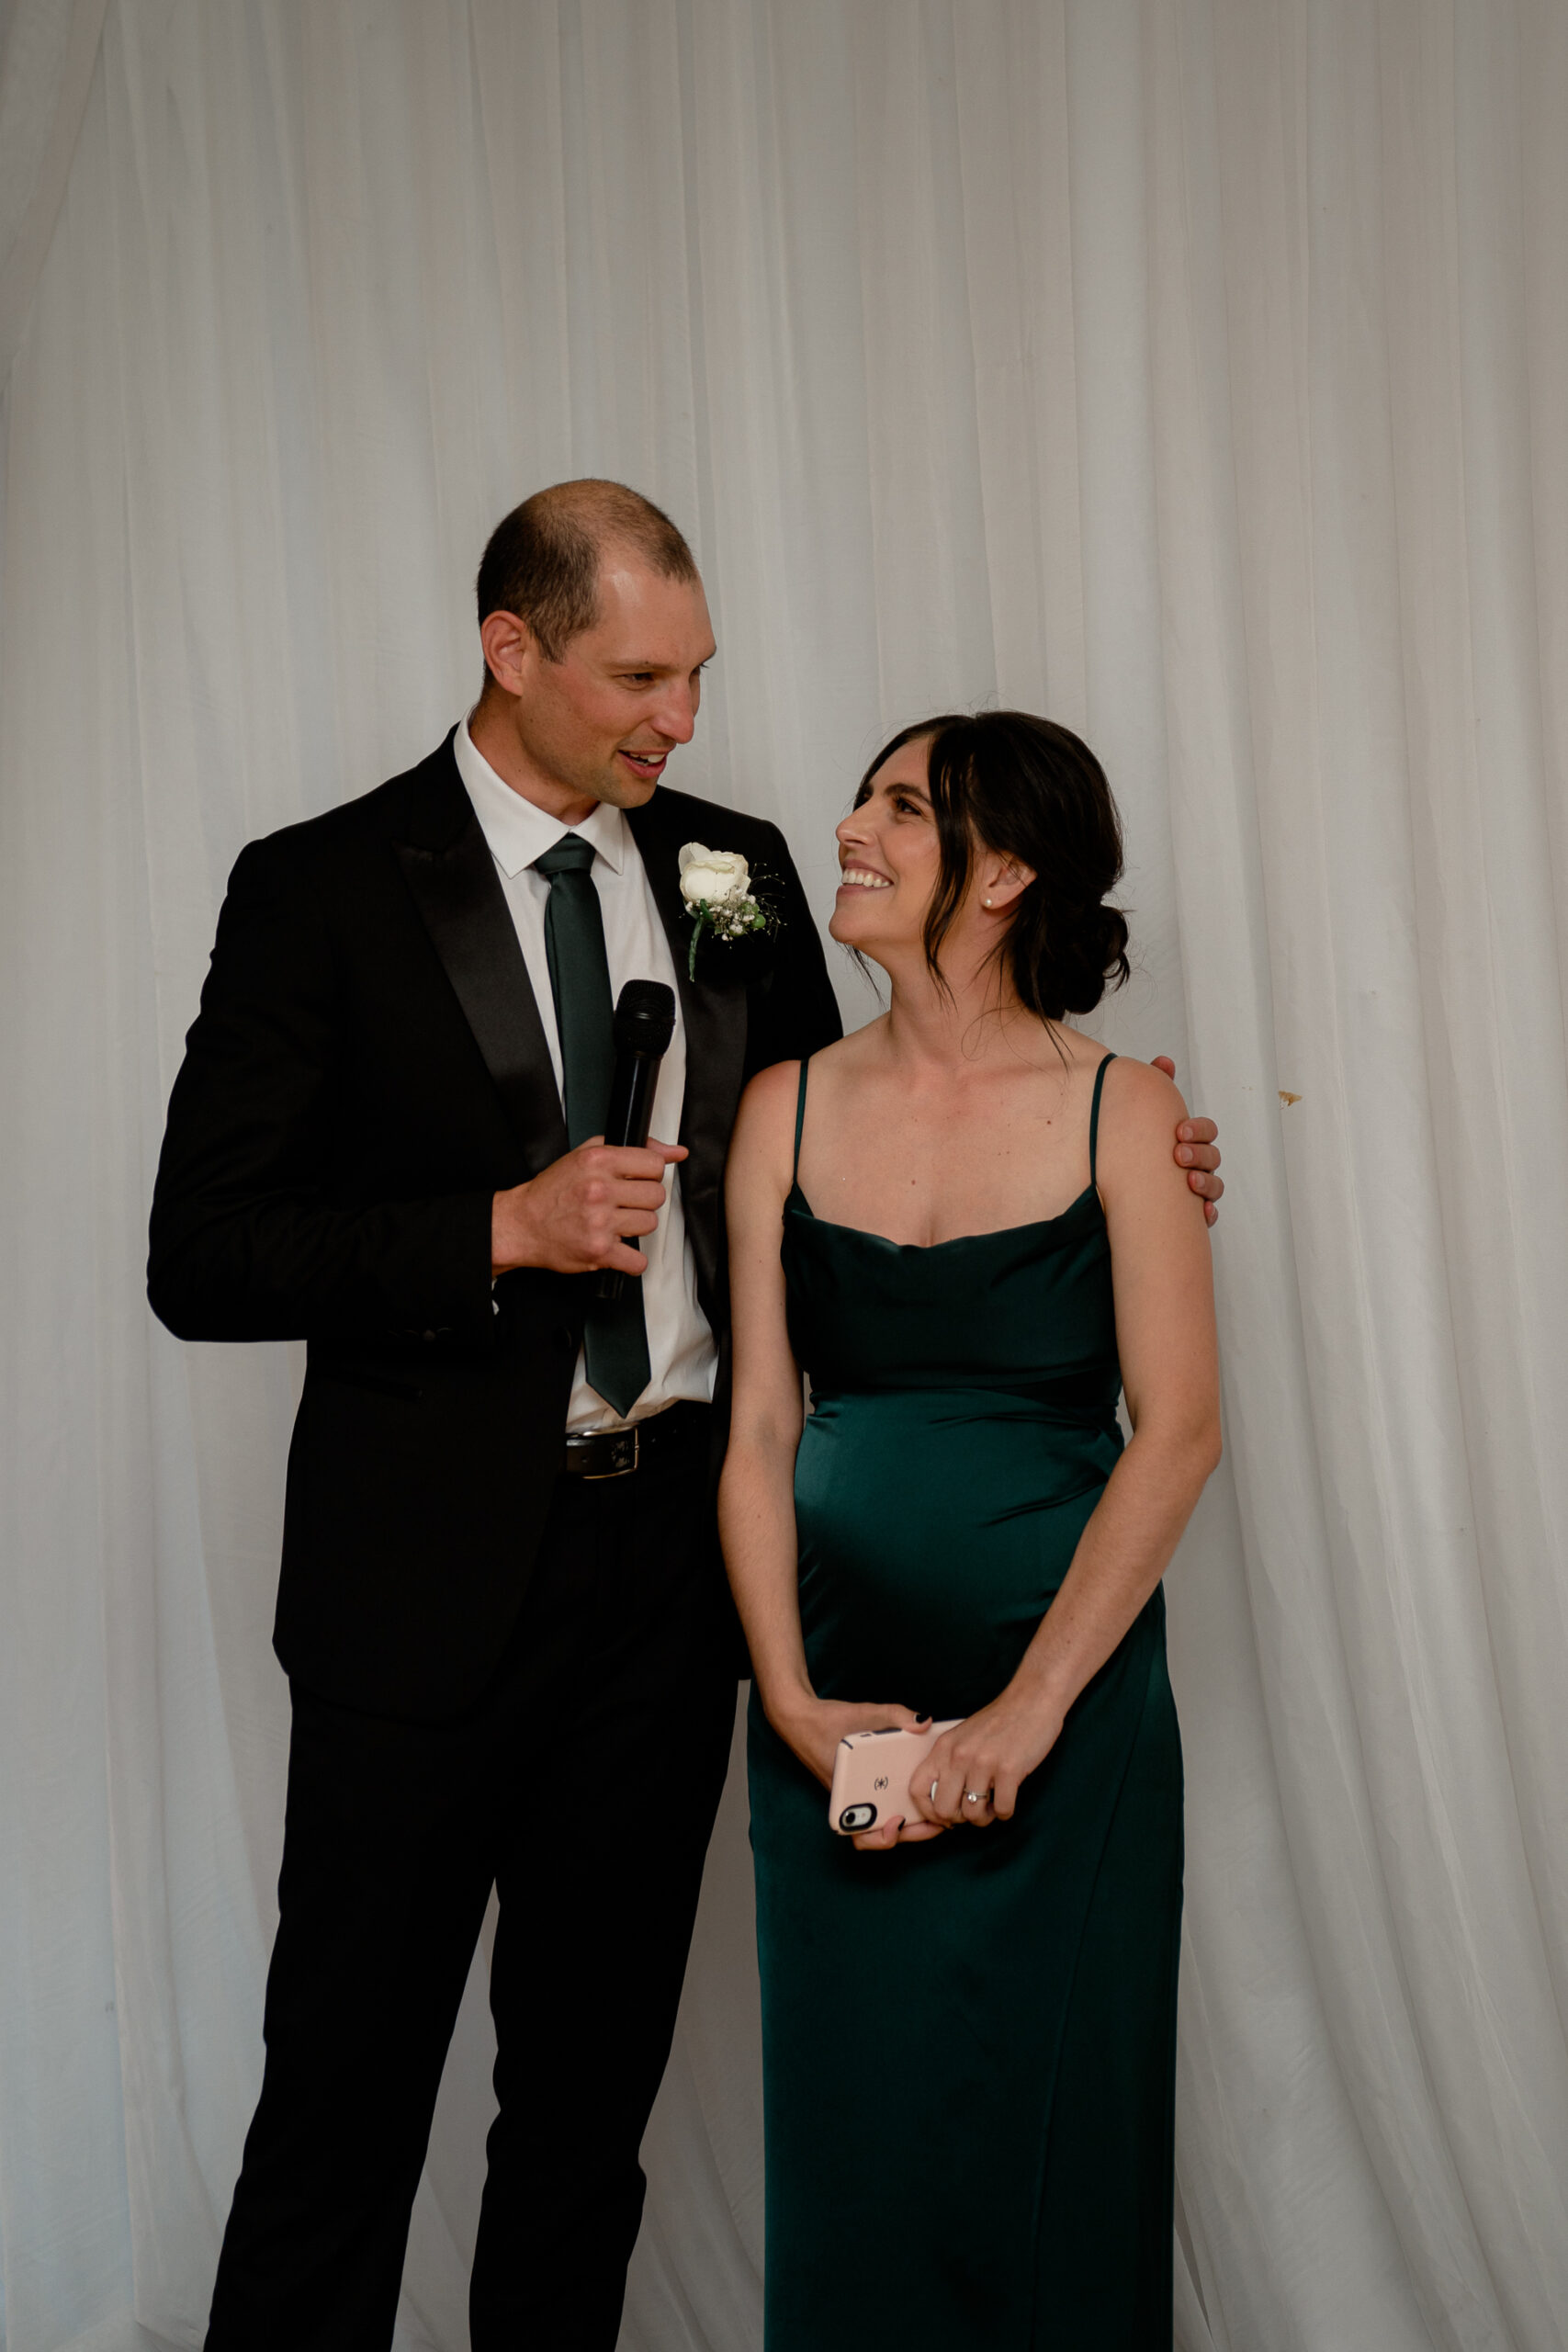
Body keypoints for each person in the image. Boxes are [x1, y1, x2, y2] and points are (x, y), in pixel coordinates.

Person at [147, 480, 1224, 2349]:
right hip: (420, 1595)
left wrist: (1115, 1149)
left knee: (584, 2123)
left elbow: (854, 1116)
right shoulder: (320, 884)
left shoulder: (722, 867)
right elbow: (203, 1251)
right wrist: (492, 1225)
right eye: (640, 676)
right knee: (343, 2105)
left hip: (674, 1584)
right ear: (513, 653)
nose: (682, 720)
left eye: (698, 673)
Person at [721, 710, 1222, 2349]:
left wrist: (1029, 1710)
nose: (853, 829)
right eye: (862, 796)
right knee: (854, 2142)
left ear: (1007, 872)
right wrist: (787, 1698)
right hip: (831, 1711)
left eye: (903, 810)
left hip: (1067, 1710)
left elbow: (1182, 1433)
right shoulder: (781, 1104)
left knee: (1050, 2141)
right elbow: (761, 1428)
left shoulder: (1125, 1113)